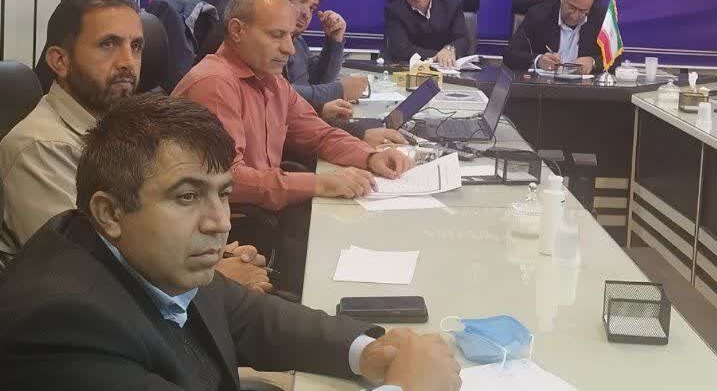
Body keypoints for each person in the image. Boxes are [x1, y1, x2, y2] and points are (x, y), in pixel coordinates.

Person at [0, 93, 461, 390]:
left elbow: (249, 317)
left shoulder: (154, 257)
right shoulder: (63, 325)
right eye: (187, 197)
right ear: (110, 213)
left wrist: (366, 351)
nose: (219, 223)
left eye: (222, 194)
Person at [0, 0, 269, 289]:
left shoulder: (127, 130)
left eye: (137, 46)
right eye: (108, 44)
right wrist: (217, 279)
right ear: (60, 61)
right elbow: (83, 267)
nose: (128, 61)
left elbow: (150, 228)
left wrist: (212, 253)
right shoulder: (42, 146)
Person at [173, 0, 412, 289]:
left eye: (290, 36)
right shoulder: (215, 84)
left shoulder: (271, 80)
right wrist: (321, 183)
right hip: (227, 236)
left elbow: (319, 134)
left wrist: (370, 156)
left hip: (264, 215)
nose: (289, 48)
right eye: (277, 35)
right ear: (237, 30)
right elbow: (228, 180)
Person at [241, 0, 368, 120]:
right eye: (303, 2)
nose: (307, 14)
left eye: (312, 8)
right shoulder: (250, 39)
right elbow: (274, 93)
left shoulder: (297, 41)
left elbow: (314, 83)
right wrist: (338, 91)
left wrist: (334, 42)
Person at [503, 0, 606, 74]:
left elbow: (613, 59)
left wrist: (592, 62)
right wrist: (538, 60)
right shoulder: (538, 15)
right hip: (543, 83)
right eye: (571, 7)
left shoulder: (600, 19)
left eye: (582, 11)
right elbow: (510, 54)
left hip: (583, 84)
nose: (574, 16)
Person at [383, 0, 471, 66]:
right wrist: (441, 56)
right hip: (410, 70)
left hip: (449, 71)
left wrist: (450, 49)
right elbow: (401, 50)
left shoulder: (452, 5)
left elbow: (463, 40)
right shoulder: (394, 10)